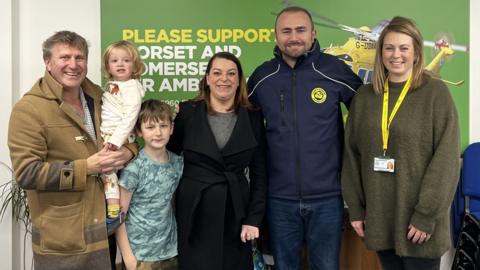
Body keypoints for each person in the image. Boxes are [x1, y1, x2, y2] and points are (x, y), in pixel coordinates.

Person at [8, 30, 136, 270]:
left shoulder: (100, 95)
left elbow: (127, 134)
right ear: (47, 63)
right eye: (65, 57)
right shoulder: (29, 109)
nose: (73, 65)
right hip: (63, 238)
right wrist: (86, 167)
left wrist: (129, 151)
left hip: (104, 228)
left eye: (80, 58)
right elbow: (27, 173)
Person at [247, 6, 363, 270]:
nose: (294, 37)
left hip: (327, 198)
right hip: (279, 200)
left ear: (313, 33)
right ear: (276, 37)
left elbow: (369, 113)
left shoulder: (334, 70)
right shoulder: (263, 77)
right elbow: (235, 115)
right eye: (286, 31)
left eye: (300, 30)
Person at [341, 16, 460, 270]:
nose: (396, 55)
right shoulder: (364, 97)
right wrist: (356, 209)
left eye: (404, 48)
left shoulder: (435, 93)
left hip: (420, 226)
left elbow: (446, 160)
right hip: (381, 221)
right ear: (380, 52)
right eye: (389, 47)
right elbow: (351, 156)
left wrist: (426, 215)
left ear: (416, 52)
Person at [167, 51, 267, 270]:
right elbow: (167, 157)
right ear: (207, 78)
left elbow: (260, 173)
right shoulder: (187, 112)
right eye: (217, 73)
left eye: (231, 73)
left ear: (239, 80)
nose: (224, 79)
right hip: (194, 209)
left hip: (237, 210)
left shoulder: (253, 116)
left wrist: (254, 218)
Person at [116, 99, 183, 270]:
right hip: (140, 256)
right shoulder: (134, 169)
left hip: (171, 251)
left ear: (172, 128)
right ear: (139, 131)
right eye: (150, 127)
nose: (158, 133)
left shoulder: (178, 163)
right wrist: (128, 258)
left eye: (163, 126)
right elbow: (119, 216)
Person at [100, 40, 145, 230]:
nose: (120, 64)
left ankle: (114, 211)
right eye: (115, 60)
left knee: (107, 170)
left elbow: (131, 116)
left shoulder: (132, 87)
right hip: (107, 136)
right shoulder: (111, 85)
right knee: (106, 172)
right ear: (107, 66)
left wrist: (116, 141)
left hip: (118, 138)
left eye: (126, 60)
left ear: (135, 66)